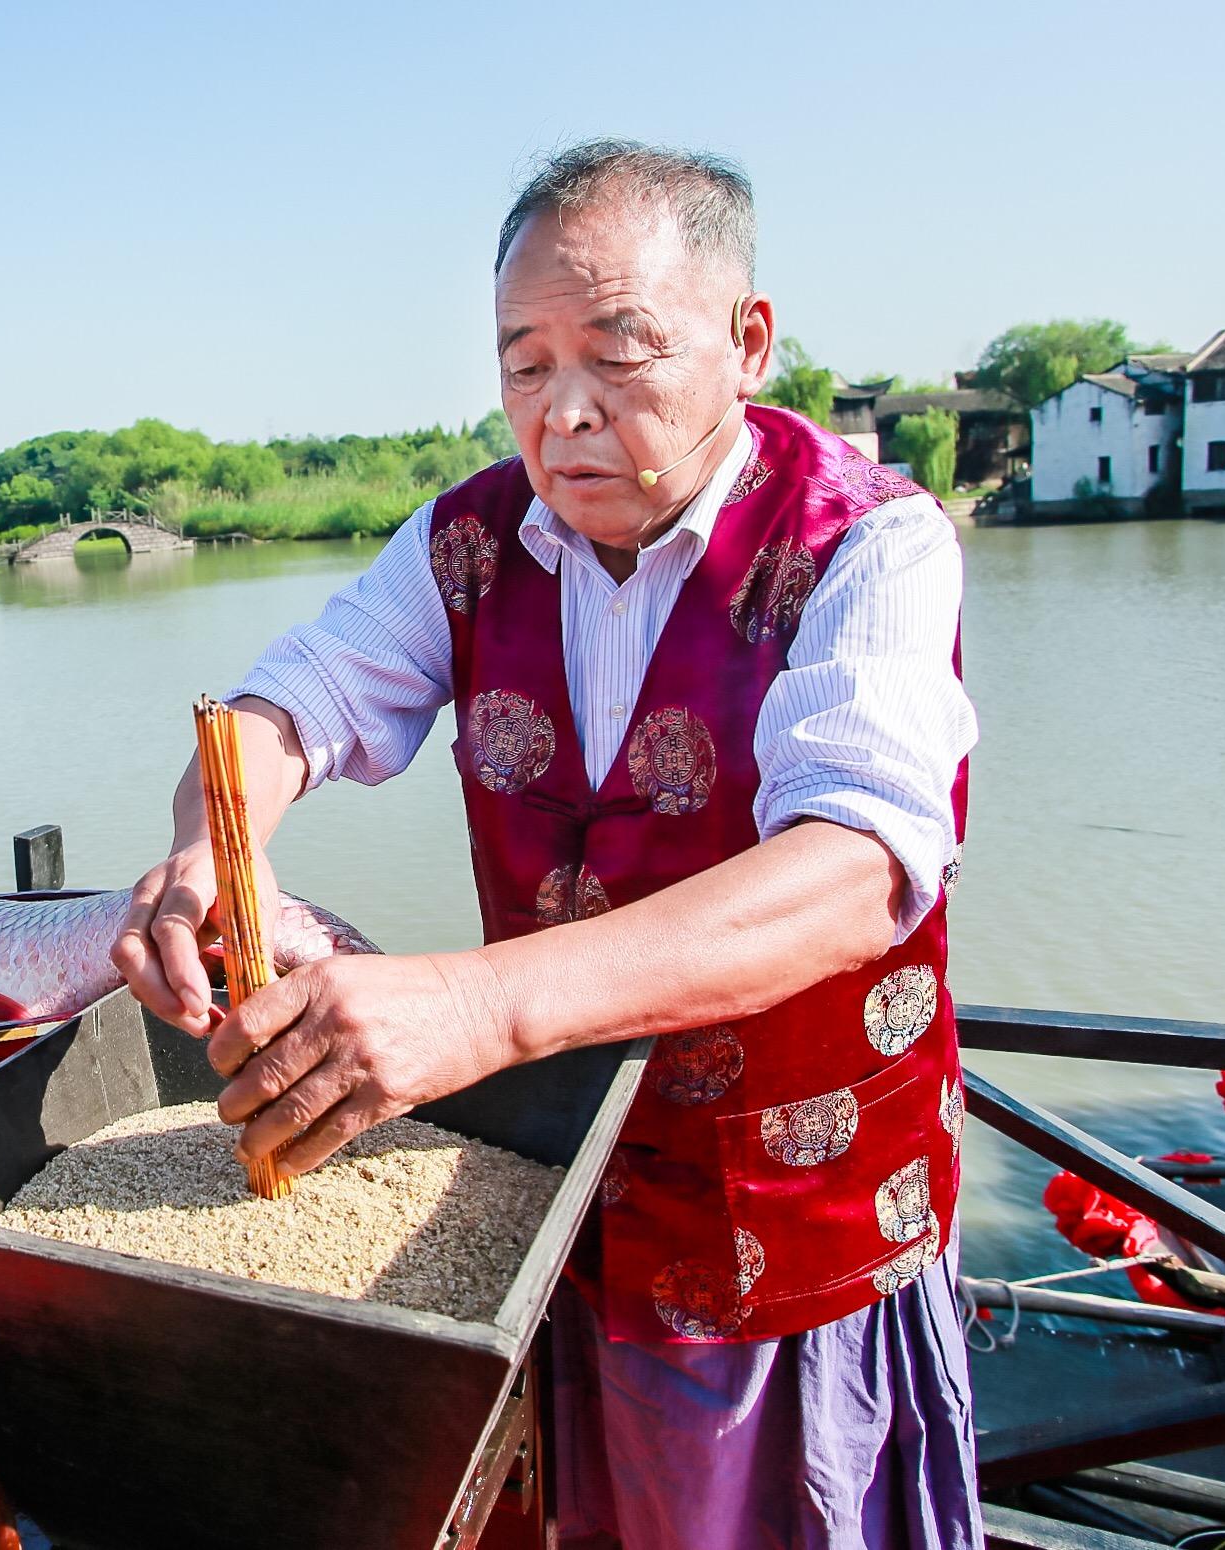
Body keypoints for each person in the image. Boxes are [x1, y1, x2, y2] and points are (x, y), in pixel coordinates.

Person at [109, 139, 982, 1549]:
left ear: (745, 342)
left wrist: (472, 1001)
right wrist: (213, 845)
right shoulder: (471, 535)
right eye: (523, 364)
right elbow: (300, 695)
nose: (561, 412)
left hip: (785, 1230)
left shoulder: (865, 544)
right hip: (547, 1205)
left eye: (617, 355)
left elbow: (855, 866)